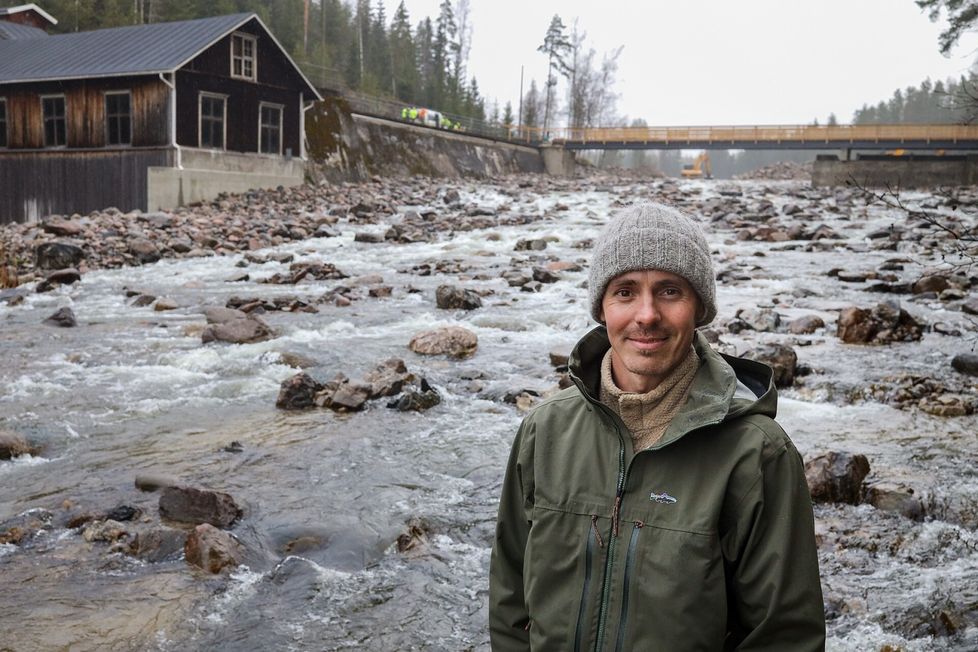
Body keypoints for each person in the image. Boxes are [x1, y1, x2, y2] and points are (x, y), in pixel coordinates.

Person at [489, 202, 825, 651]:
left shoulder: (757, 454)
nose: (646, 315)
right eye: (625, 292)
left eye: (669, 291)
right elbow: (510, 604)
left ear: (698, 308)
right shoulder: (544, 431)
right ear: (602, 307)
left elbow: (784, 638)